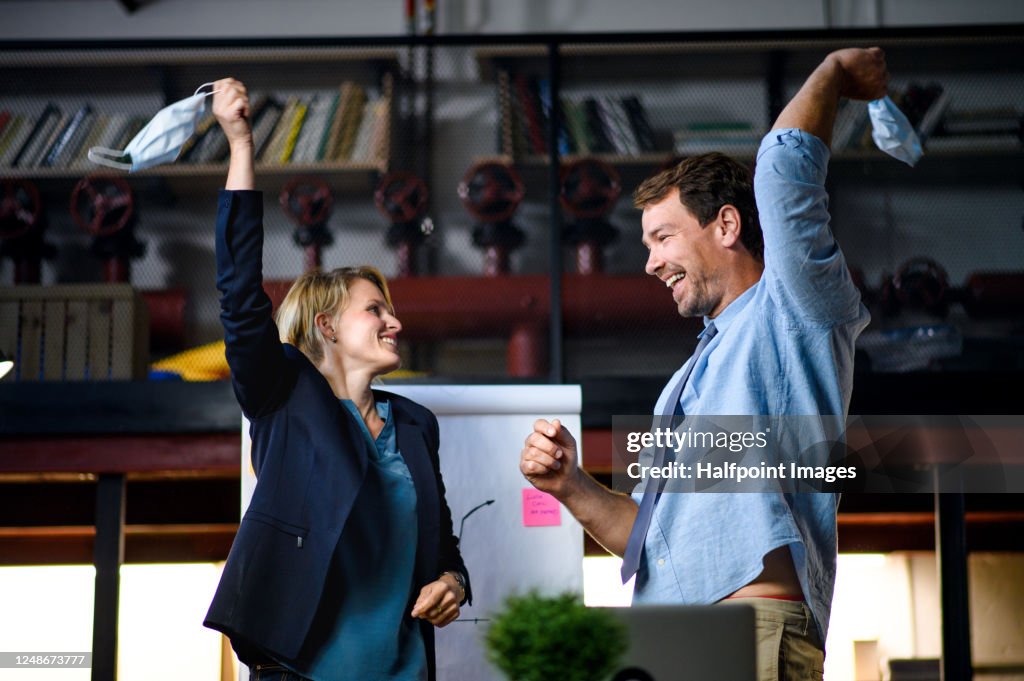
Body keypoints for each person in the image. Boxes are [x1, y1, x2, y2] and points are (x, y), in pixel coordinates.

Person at [520, 47, 887, 680]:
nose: (650, 262)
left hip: (752, 628)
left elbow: (783, 177)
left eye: (662, 237)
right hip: (674, 639)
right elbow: (647, 536)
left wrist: (832, 73)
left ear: (725, 225)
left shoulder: (791, 307)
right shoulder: (687, 380)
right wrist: (570, 485)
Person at [203, 78, 471, 681]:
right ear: (326, 325)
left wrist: (453, 582)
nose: (394, 321)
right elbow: (239, 295)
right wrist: (242, 145)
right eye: (374, 309)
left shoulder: (414, 424)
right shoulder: (284, 397)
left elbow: (442, 545)